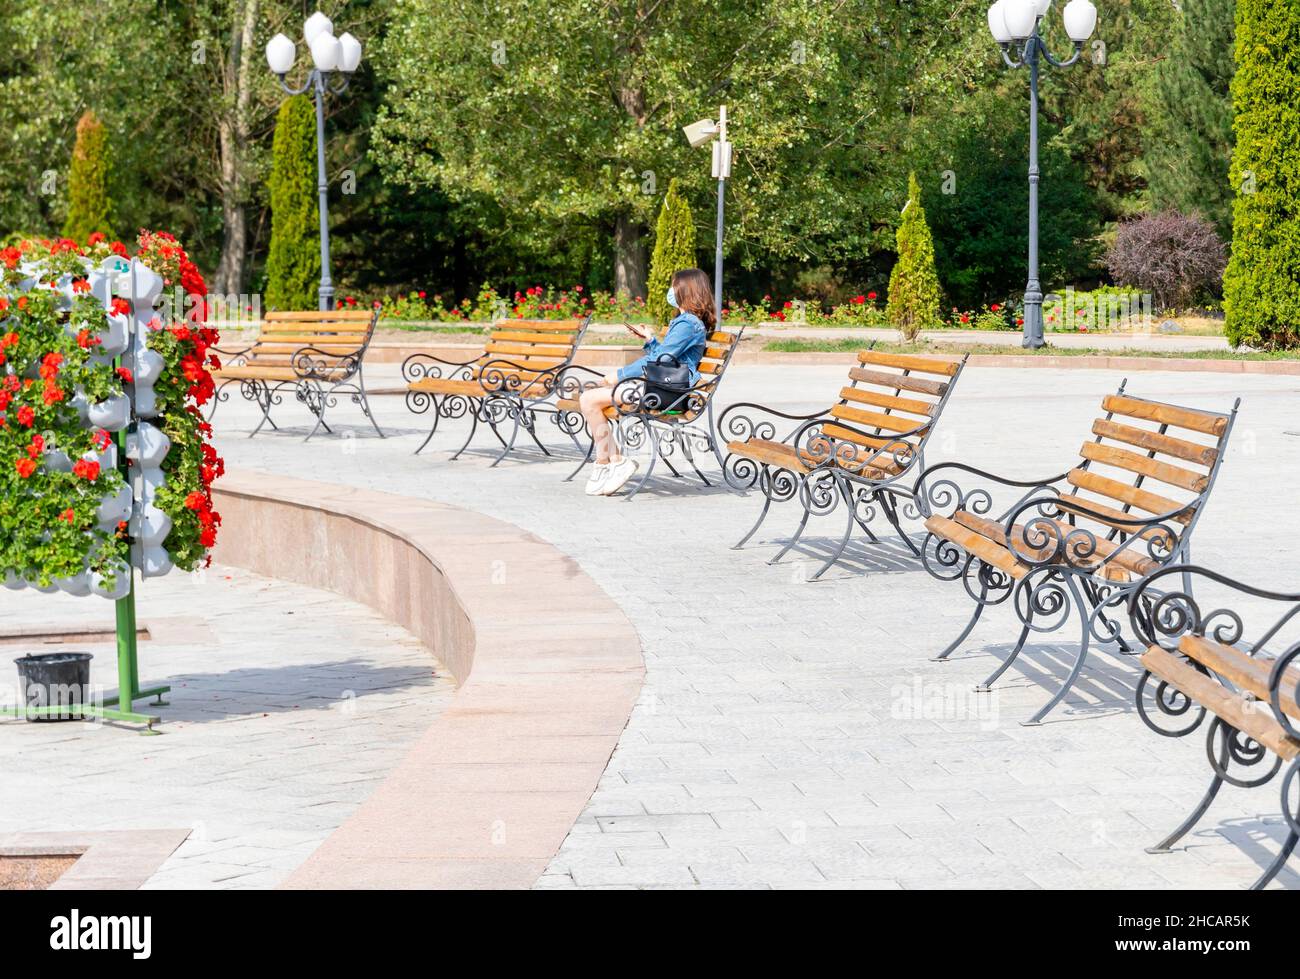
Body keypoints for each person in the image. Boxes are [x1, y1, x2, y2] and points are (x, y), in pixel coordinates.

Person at [579, 267, 715, 496]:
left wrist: (620, 375)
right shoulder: (686, 322)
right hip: (662, 386)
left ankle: (610, 462)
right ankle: (609, 462)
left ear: (685, 289)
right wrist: (651, 340)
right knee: (591, 400)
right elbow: (665, 355)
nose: (671, 290)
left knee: (589, 399)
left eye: (674, 285)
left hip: (666, 392)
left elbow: (659, 361)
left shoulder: (687, 323)